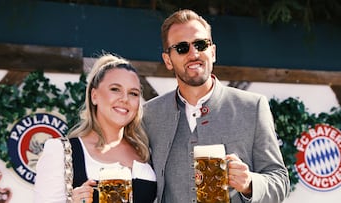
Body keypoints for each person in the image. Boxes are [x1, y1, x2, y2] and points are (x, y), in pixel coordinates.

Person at [142, 9, 290, 203]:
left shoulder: (252, 107)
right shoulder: (149, 115)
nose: (194, 53)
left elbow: (280, 180)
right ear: (168, 60)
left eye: (200, 44)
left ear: (212, 52)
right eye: (181, 48)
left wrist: (249, 183)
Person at [34, 53, 157, 203]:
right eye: (115, 89)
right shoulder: (62, 152)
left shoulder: (146, 152)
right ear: (94, 96)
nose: (125, 99)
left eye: (133, 93)